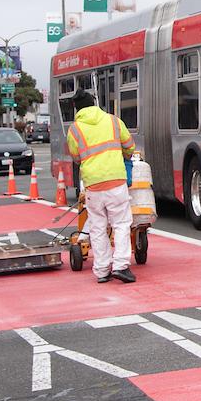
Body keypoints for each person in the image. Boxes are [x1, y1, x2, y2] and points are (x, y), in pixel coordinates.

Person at [66, 90, 138, 283]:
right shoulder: (113, 121)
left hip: (93, 184)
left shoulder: (74, 129)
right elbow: (130, 146)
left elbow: (75, 156)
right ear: (94, 103)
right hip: (116, 181)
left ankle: (102, 270)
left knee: (97, 228)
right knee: (121, 224)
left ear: (76, 108)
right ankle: (121, 266)